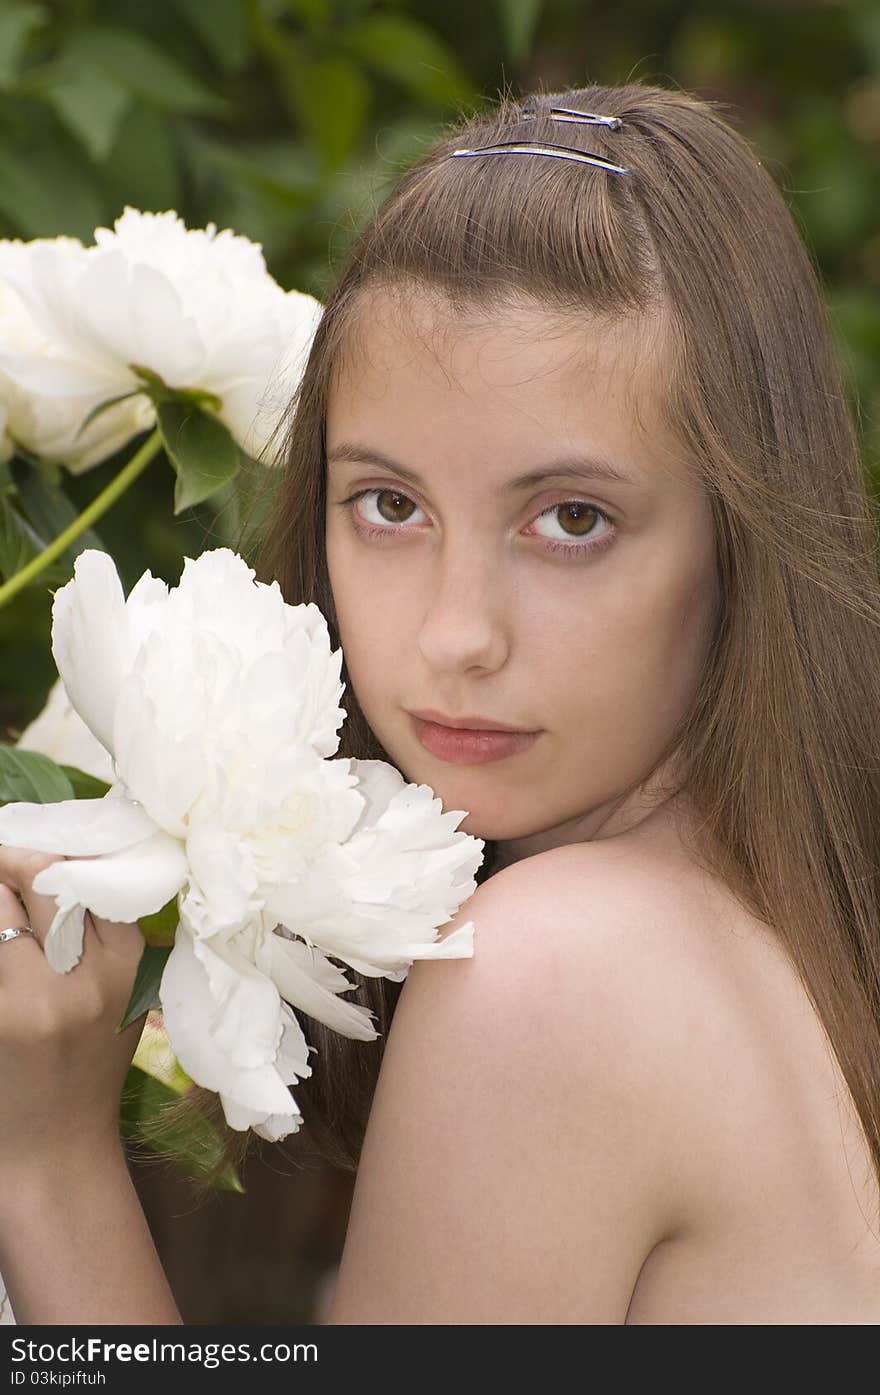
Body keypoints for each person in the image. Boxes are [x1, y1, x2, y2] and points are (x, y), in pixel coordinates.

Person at [1, 79, 879, 1325]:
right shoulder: (759, 911)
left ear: (741, 541)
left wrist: (47, 1167)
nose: (457, 635)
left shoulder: (555, 970)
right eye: (390, 506)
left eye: (572, 520)